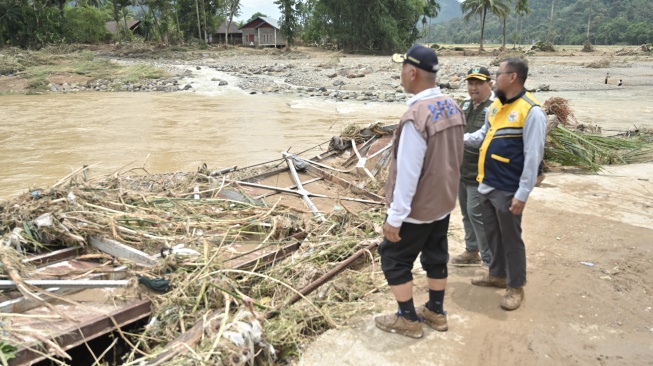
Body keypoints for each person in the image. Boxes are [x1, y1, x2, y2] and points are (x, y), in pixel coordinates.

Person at [374, 44, 465, 339]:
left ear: (411, 72)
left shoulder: (416, 116)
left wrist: (395, 217)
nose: (401, 74)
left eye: (402, 68)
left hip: (418, 208)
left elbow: (409, 173)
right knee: (436, 255)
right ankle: (436, 313)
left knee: (393, 258)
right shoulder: (452, 106)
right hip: (443, 202)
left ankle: (407, 319)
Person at [464, 57, 546, 311]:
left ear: (512, 77)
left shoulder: (531, 111)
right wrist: (455, 137)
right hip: (487, 184)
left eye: (498, 74)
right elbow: (481, 137)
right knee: (493, 235)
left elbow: (533, 157)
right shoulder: (496, 107)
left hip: (508, 189)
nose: (494, 79)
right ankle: (497, 274)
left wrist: (523, 193)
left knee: (511, 238)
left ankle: (515, 285)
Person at [451, 66, 494, 267]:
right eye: (471, 83)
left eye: (478, 83)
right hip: (462, 170)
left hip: (482, 173)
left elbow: (482, 138)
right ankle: (471, 251)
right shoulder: (464, 105)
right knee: (467, 214)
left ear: (490, 84)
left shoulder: (494, 109)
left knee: (479, 217)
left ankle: (489, 261)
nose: (474, 88)